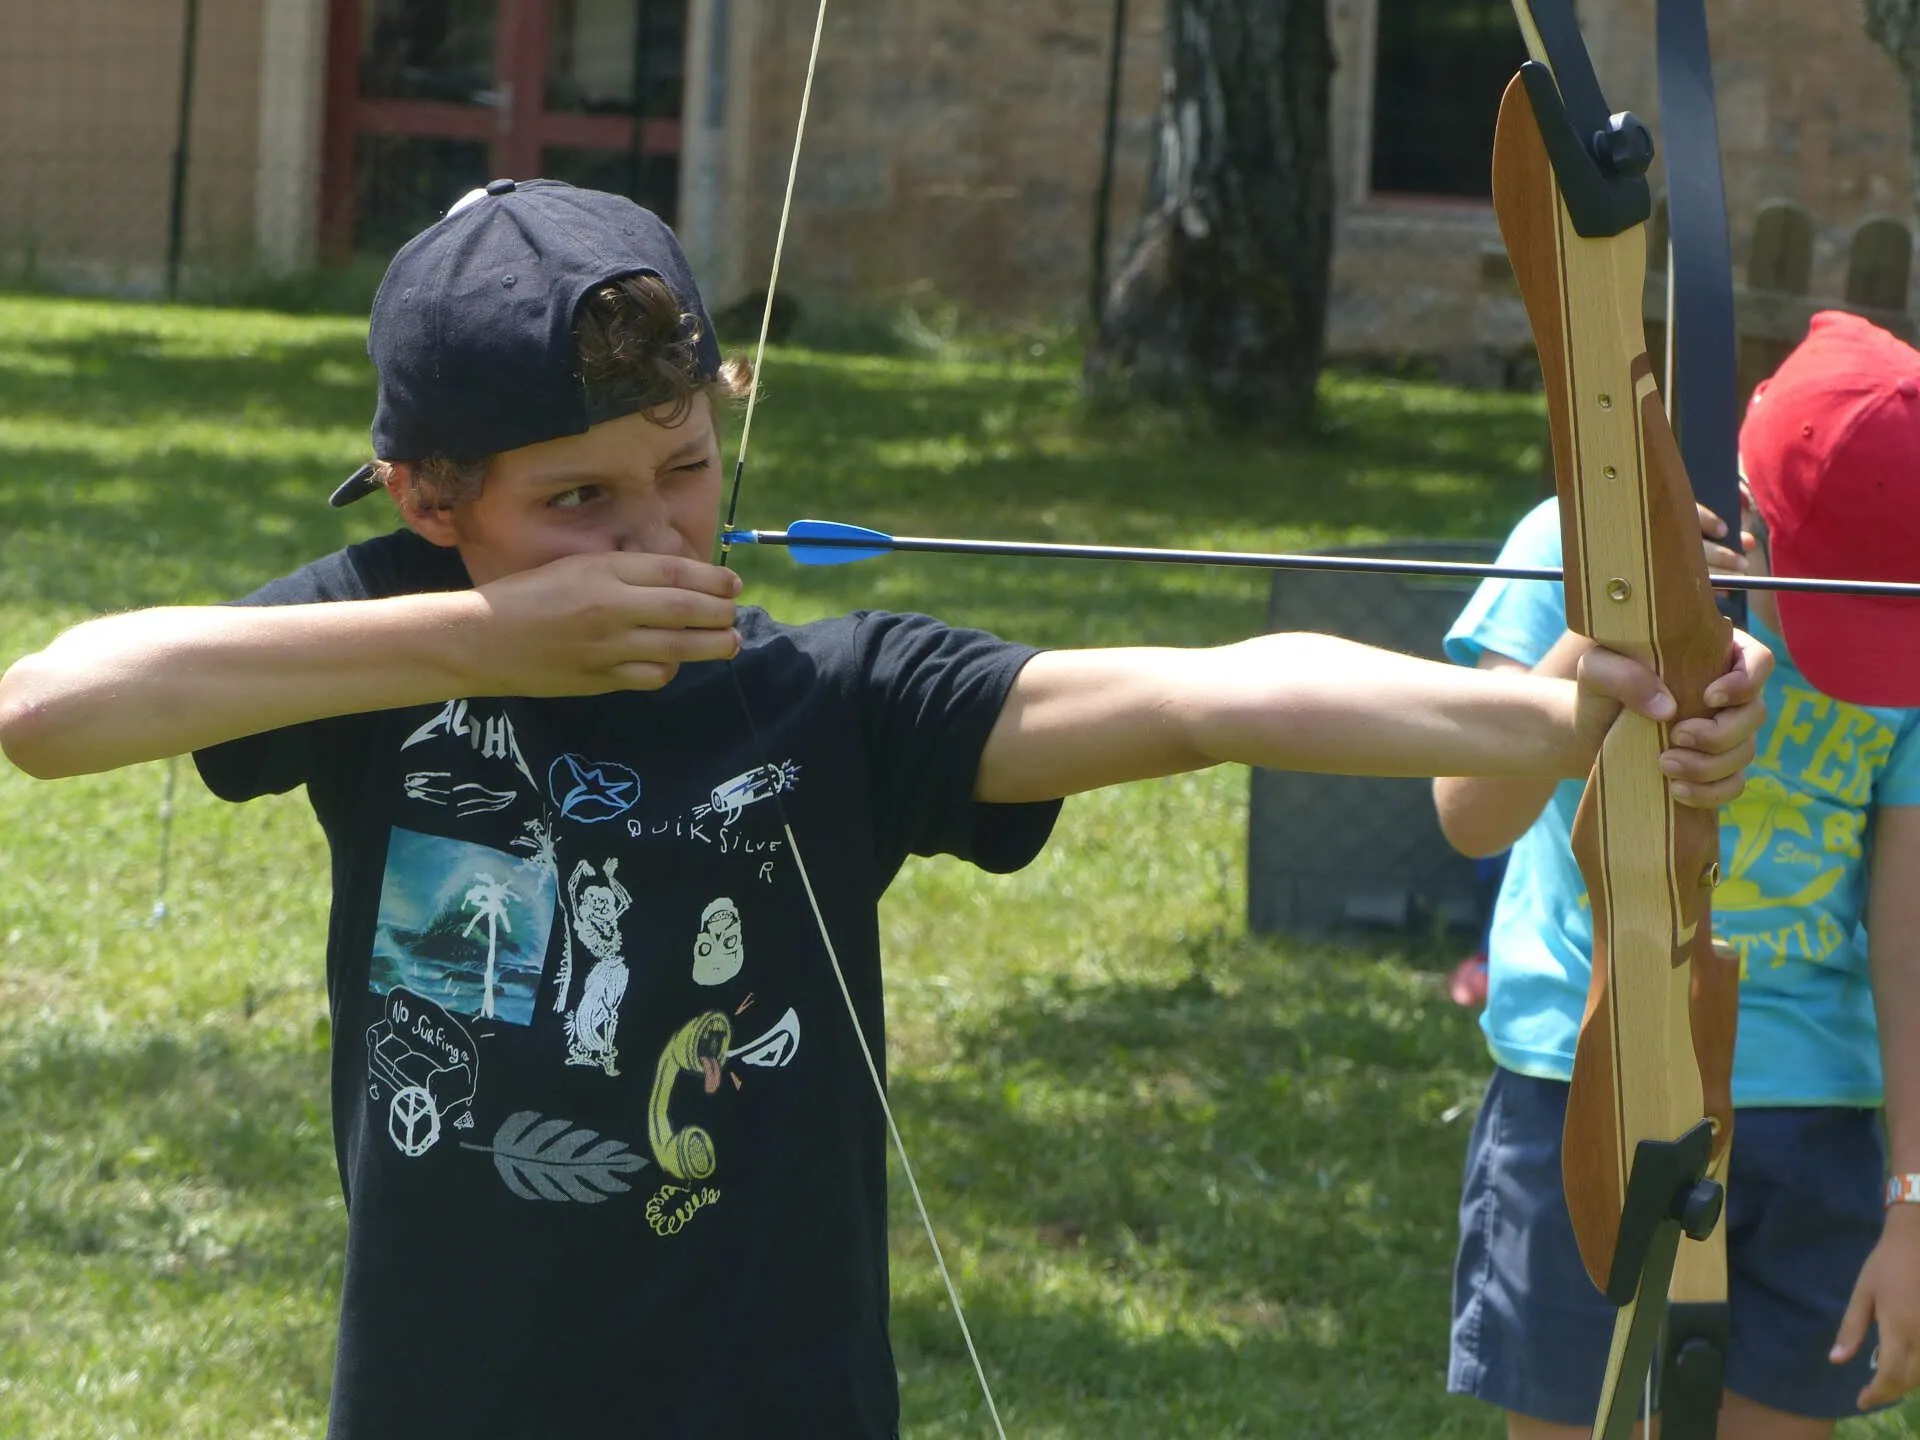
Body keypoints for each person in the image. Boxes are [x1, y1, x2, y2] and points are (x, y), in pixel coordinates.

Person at [0, 179, 1770, 1439]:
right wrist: (484, 632)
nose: (655, 536)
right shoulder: (381, 669)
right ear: (426, 500)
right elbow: (54, 707)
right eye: (580, 501)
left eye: (686, 469)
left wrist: (1552, 712)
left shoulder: (827, 704)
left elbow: (1191, 697)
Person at [1435, 310, 1920, 1440]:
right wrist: (1597, 641)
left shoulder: (1904, 604)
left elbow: (1908, 937)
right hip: (1585, 1078)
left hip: (1812, 1121)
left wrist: (1914, 1203)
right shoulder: (1572, 541)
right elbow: (1467, 814)